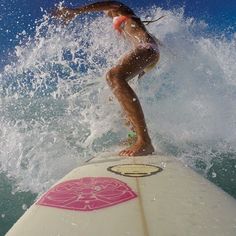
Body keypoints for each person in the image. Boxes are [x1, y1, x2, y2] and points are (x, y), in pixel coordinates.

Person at [53, 1, 160, 157]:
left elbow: (112, 4)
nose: (103, 12)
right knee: (117, 93)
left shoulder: (121, 9)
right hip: (147, 53)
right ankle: (135, 136)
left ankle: (145, 142)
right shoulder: (123, 20)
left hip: (146, 49)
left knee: (114, 76)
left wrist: (77, 11)